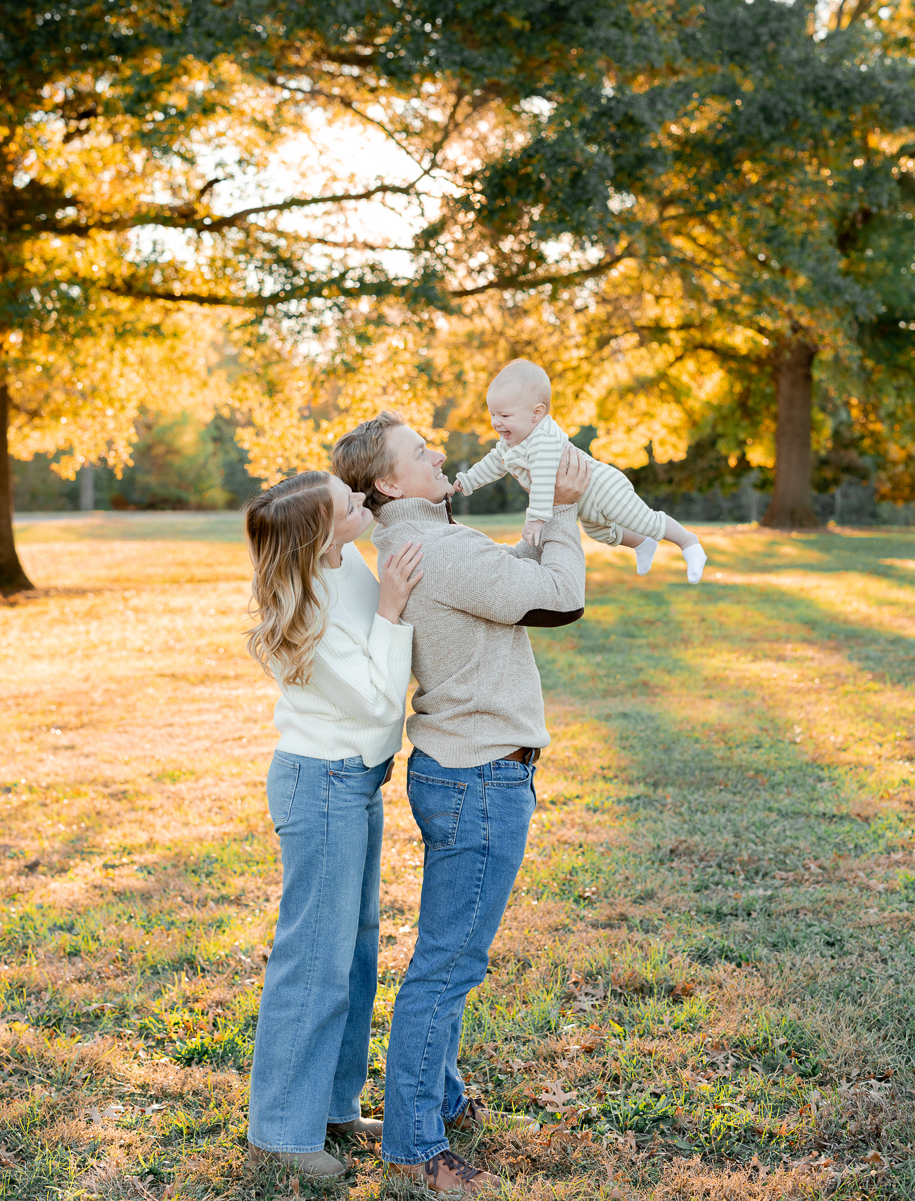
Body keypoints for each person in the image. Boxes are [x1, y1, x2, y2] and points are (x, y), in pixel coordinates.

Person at [332, 412, 590, 1196]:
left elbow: (506, 573)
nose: (438, 452)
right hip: (480, 778)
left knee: (446, 956)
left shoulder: (426, 548)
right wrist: (571, 511)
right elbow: (561, 597)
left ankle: (438, 1096)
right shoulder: (442, 550)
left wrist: (541, 513)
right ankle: (415, 1145)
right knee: (447, 966)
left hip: (460, 770)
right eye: (419, 451)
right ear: (386, 482)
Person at [243, 470, 423, 1181]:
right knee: (314, 959)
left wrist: (384, 602)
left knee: (352, 952)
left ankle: (331, 1108)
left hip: (357, 780)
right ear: (323, 534)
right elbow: (381, 702)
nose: (362, 502)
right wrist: (394, 609)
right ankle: (282, 1138)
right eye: (349, 503)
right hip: (322, 787)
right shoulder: (309, 611)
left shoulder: (347, 561)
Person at [453, 358, 708, 583]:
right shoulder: (515, 441)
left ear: (536, 413)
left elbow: (542, 482)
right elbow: (494, 462)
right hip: (581, 501)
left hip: (602, 487)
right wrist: (469, 480)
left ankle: (688, 542)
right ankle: (642, 543)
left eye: (505, 416)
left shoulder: (543, 440)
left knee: (644, 521)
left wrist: (535, 519)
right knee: (602, 533)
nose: (496, 423)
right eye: (492, 414)